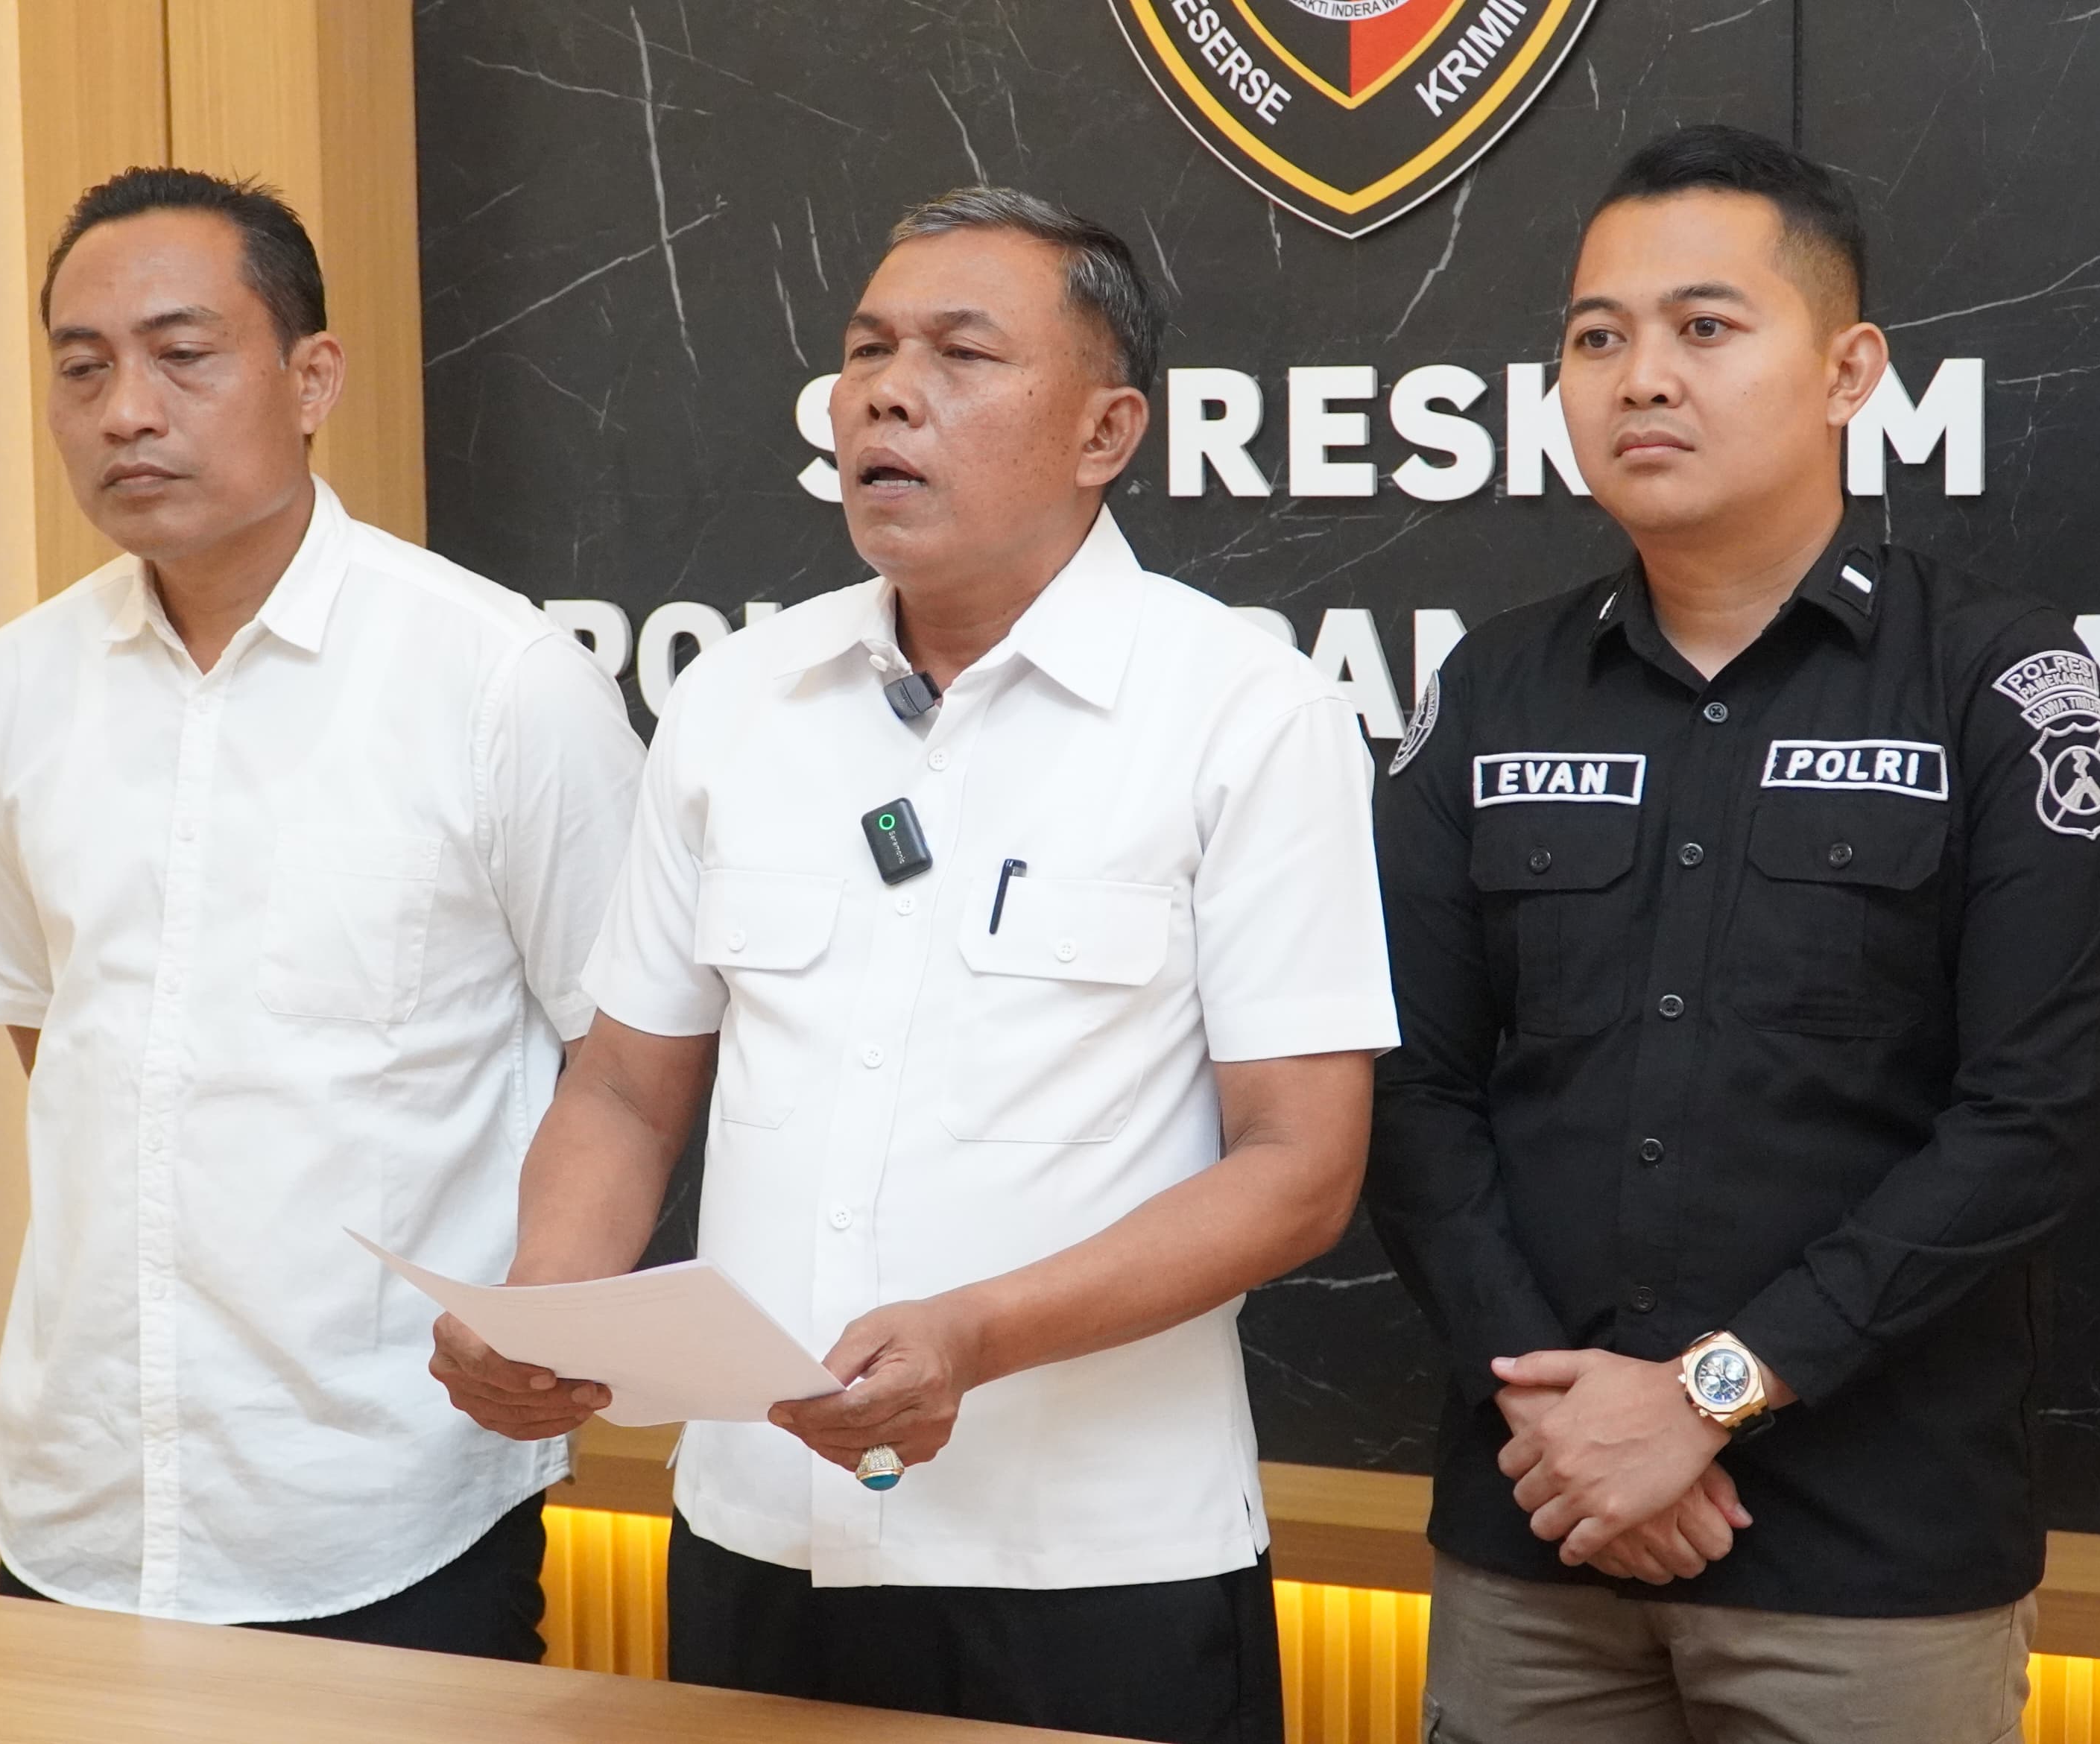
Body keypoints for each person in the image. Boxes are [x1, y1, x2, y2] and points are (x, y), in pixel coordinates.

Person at [431, 186, 1396, 1744]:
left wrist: (975, 1336)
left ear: (1105, 432)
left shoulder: (1243, 712)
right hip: (758, 1537)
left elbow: (1299, 1169)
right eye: (867, 350)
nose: (887, 392)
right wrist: (545, 1305)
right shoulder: (738, 698)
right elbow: (620, 1090)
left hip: (1091, 1567)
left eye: (961, 354)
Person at [1368, 124, 2100, 1743]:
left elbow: (2033, 1118)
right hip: (1539, 1528)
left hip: (1870, 1559)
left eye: (1705, 327)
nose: (1641, 376)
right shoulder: (1488, 691)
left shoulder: (2003, 686)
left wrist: (1709, 1398)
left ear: (1849, 370)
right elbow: (1408, 1088)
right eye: (1597, 338)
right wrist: (1566, 1422)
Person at [0, 167, 644, 1655]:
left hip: (384, 1508)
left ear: (311, 378)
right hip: (79, 1496)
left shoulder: (500, 682)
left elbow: (630, 1056)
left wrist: (541, 1316)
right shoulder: (11, 689)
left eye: (183, 357)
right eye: (83, 369)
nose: (128, 412)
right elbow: (51, 1032)